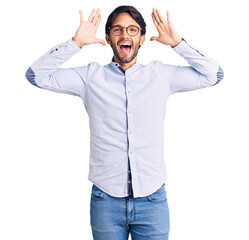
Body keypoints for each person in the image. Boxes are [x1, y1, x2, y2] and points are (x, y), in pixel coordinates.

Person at [25, 5, 224, 240]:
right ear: (108, 37)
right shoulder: (89, 77)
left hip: (152, 200)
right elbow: (36, 76)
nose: (125, 35)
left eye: (132, 29)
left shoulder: (161, 75)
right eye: (117, 30)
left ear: (141, 38)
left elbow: (214, 75)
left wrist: (178, 44)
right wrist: (75, 43)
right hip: (106, 202)